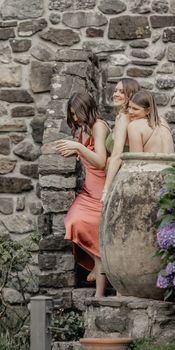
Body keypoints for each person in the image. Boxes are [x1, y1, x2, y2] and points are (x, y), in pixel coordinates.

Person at [56, 92, 110, 298]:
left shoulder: (99, 126)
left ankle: (99, 294)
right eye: (72, 115)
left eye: (77, 113)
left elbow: (100, 162)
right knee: (72, 222)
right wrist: (75, 150)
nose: (76, 119)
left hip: (100, 193)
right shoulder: (83, 130)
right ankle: (97, 269)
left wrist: (78, 147)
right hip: (88, 192)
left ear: (87, 108)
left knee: (94, 240)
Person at [102, 78, 141, 203]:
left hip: (120, 181)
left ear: (131, 95)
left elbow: (117, 156)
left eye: (122, 92)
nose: (116, 94)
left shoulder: (124, 118)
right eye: (115, 91)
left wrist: (105, 190)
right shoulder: (121, 117)